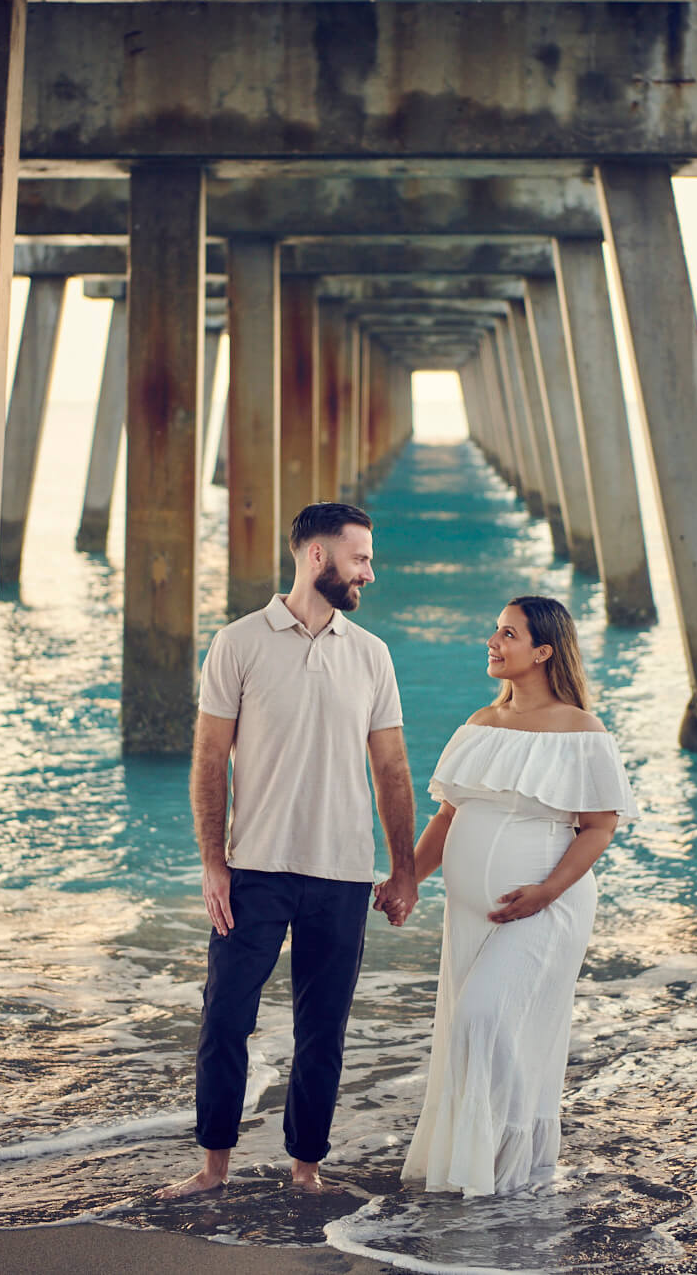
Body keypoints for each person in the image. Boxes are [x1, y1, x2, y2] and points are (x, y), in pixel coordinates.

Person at [158, 502, 418, 1200]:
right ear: (317, 558)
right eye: (360, 557)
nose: (370, 571)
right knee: (224, 1021)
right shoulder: (238, 643)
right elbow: (210, 757)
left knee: (322, 1033)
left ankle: (306, 1168)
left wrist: (404, 871)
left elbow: (391, 769)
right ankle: (213, 1168)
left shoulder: (372, 655)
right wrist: (213, 861)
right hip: (255, 870)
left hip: (341, 874)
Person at [401, 595, 639, 1198]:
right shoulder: (481, 725)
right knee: (476, 1028)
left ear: (543, 651)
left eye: (508, 633)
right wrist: (408, 877)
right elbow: (447, 817)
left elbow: (599, 827)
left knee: (485, 1017)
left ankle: (508, 1163)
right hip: (469, 913)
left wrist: (545, 892)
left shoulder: (582, 731)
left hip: (546, 907)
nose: (494, 641)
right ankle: (490, 1172)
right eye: (495, 629)